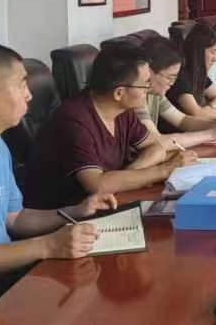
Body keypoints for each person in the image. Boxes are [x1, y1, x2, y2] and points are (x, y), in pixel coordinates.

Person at [0, 44, 117, 325]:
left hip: (8, 279)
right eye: (21, 84)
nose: (29, 94)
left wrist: (74, 211)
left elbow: (15, 218)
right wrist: (48, 246)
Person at [25, 46, 196, 209]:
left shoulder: (122, 111)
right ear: (119, 93)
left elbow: (155, 147)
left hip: (113, 200)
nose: (149, 88)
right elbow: (97, 185)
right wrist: (165, 170)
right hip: (68, 214)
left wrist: (132, 173)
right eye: (145, 84)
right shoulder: (74, 119)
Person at [138, 37, 216, 149]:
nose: (172, 83)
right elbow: (156, 141)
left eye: (174, 78)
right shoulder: (137, 98)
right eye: (169, 77)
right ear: (149, 71)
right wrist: (211, 134)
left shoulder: (155, 94)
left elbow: (182, 120)